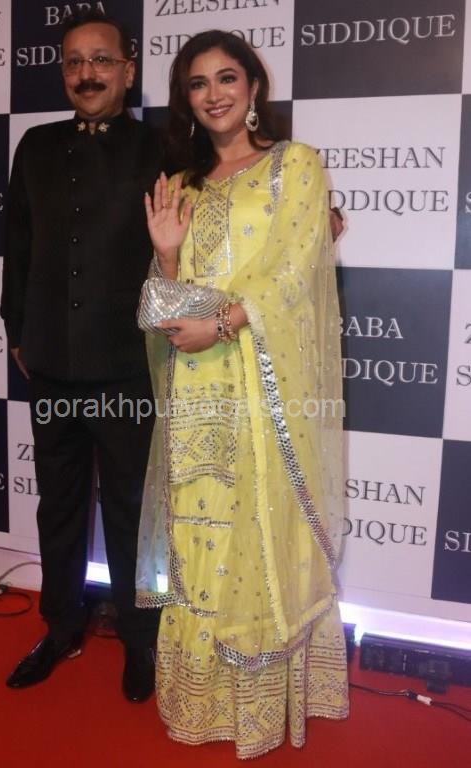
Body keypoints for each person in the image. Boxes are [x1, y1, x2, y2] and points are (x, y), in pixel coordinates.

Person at [136, 30, 349, 757]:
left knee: (259, 534)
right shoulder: (182, 185)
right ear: (186, 100)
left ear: (254, 87)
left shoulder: (295, 166)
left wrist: (223, 322)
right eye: (198, 83)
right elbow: (163, 313)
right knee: (202, 538)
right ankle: (205, 703)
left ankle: (258, 705)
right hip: (199, 394)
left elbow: (293, 272)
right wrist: (166, 255)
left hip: (265, 395)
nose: (215, 94)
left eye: (228, 78)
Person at [0, 11, 160, 700]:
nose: (86, 74)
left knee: (131, 511)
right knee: (58, 507)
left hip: (127, 368)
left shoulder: (162, 147)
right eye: (73, 61)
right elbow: (17, 246)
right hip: (51, 366)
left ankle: (141, 639)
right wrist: (16, 330)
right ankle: (62, 626)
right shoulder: (35, 145)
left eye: (100, 60)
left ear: (128, 69)